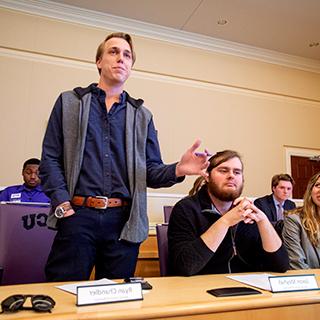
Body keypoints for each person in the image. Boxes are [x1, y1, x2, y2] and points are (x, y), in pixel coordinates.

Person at [40, 32, 209, 281]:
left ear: (130, 67)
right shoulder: (69, 102)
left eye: (127, 55)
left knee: (115, 302)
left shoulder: (143, 116)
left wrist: (178, 169)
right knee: (64, 295)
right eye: (113, 52)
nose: (121, 58)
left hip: (124, 222)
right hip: (77, 216)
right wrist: (63, 207)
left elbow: (150, 171)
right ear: (98, 61)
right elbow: (50, 159)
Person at [168, 150, 289, 276]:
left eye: (237, 172)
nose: (231, 175)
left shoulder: (247, 211)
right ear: (207, 176)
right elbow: (185, 267)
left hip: (247, 289)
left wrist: (263, 220)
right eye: (223, 170)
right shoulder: (186, 209)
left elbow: (281, 265)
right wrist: (225, 221)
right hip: (201, 290)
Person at [282, 172, 320, 269]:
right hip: (311, 281)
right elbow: (297, 264)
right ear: (310, 190)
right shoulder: (294, 220)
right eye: (318, 185)